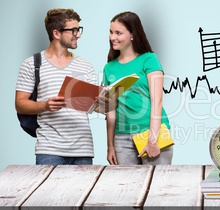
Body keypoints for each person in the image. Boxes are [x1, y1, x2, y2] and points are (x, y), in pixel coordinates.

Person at [15, 8, 114, 166]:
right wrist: (45, 105)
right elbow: (20, 104)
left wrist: (105, 105)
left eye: (78, 29)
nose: (78, 35)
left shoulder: (85, 65)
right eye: (74, 30)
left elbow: (94, 107)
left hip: (83, 149)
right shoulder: (32, 64)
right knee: (49, 191)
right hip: (49, 149)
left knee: (82, 191)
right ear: (56, 33)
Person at [104, 11, 173, 165]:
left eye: (118, 33)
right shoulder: (109, 68)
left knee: (157, 184)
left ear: (132, 35)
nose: (112, 37)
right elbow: (110, 110)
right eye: (111, 32)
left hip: (151, 131)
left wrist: (152, 139)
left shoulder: (149, 59)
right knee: (127, 187)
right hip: (121, 138)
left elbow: (157, 101)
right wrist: (110, 146)